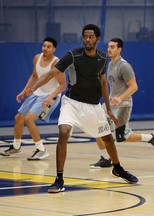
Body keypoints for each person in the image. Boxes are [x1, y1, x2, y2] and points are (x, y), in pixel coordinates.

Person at [23, 24, 138, 193]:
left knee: (107, 139)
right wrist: (32, 88)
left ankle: (118, 168)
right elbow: (50, 73)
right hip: (72, 103)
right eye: (85, 36)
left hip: (93, 106)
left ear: (98, 39)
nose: (87, 40)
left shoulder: (102, 58)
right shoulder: (73, 55)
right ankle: (59, 179)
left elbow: (103, 82)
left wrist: (107, 109)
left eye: (91, 37)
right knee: (63, 132)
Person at [89, 38, 154, 169]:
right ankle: (106, 158)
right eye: (108, 46)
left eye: (112, 47)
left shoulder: (124, 66)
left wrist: (120, 98)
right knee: (97, 127)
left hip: (123, 105)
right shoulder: (110, 64)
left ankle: (152, 137)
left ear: (119, 49)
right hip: (110, 105)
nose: (109, 49)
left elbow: (134, 87)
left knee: (122, 137)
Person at [0, 37, 66, 160]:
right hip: (37, 92)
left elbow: (63, 85)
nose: (45, 48)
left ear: (54, 49)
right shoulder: (37, 58)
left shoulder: (57, 63)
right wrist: (25, 91)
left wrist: (51, 96)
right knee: (18, 117)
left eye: (48, 47)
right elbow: (34, 75)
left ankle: (41, 150)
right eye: (44, 46)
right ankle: (16, 146)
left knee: (29, 119)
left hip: (51, 95)